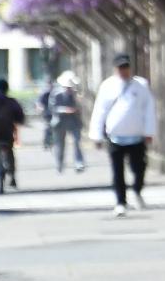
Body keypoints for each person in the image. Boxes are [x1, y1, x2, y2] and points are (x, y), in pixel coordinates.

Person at [89, 55, 157, 217]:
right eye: (120, 68)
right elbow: (100, 110)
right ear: (115, 69)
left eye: (126, 67)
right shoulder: (108, 86)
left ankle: (137, 190)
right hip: (115, 137)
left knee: (139, 168)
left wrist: (149, 131)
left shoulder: (141, 85)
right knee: (117, 171)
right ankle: (121, 202)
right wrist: (96, 135)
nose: (123, 71)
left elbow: (148, 109)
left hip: (136, 136)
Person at [49, 71, 86, 171]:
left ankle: (79, 163)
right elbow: (52, 108)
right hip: (60, 122)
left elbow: (81, 108)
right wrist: (65, 110)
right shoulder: (56, 93)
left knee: (77, 142)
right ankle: (59, 164)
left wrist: (78, 100)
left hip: (74, 122)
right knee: (60, 145)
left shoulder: (76, 94)